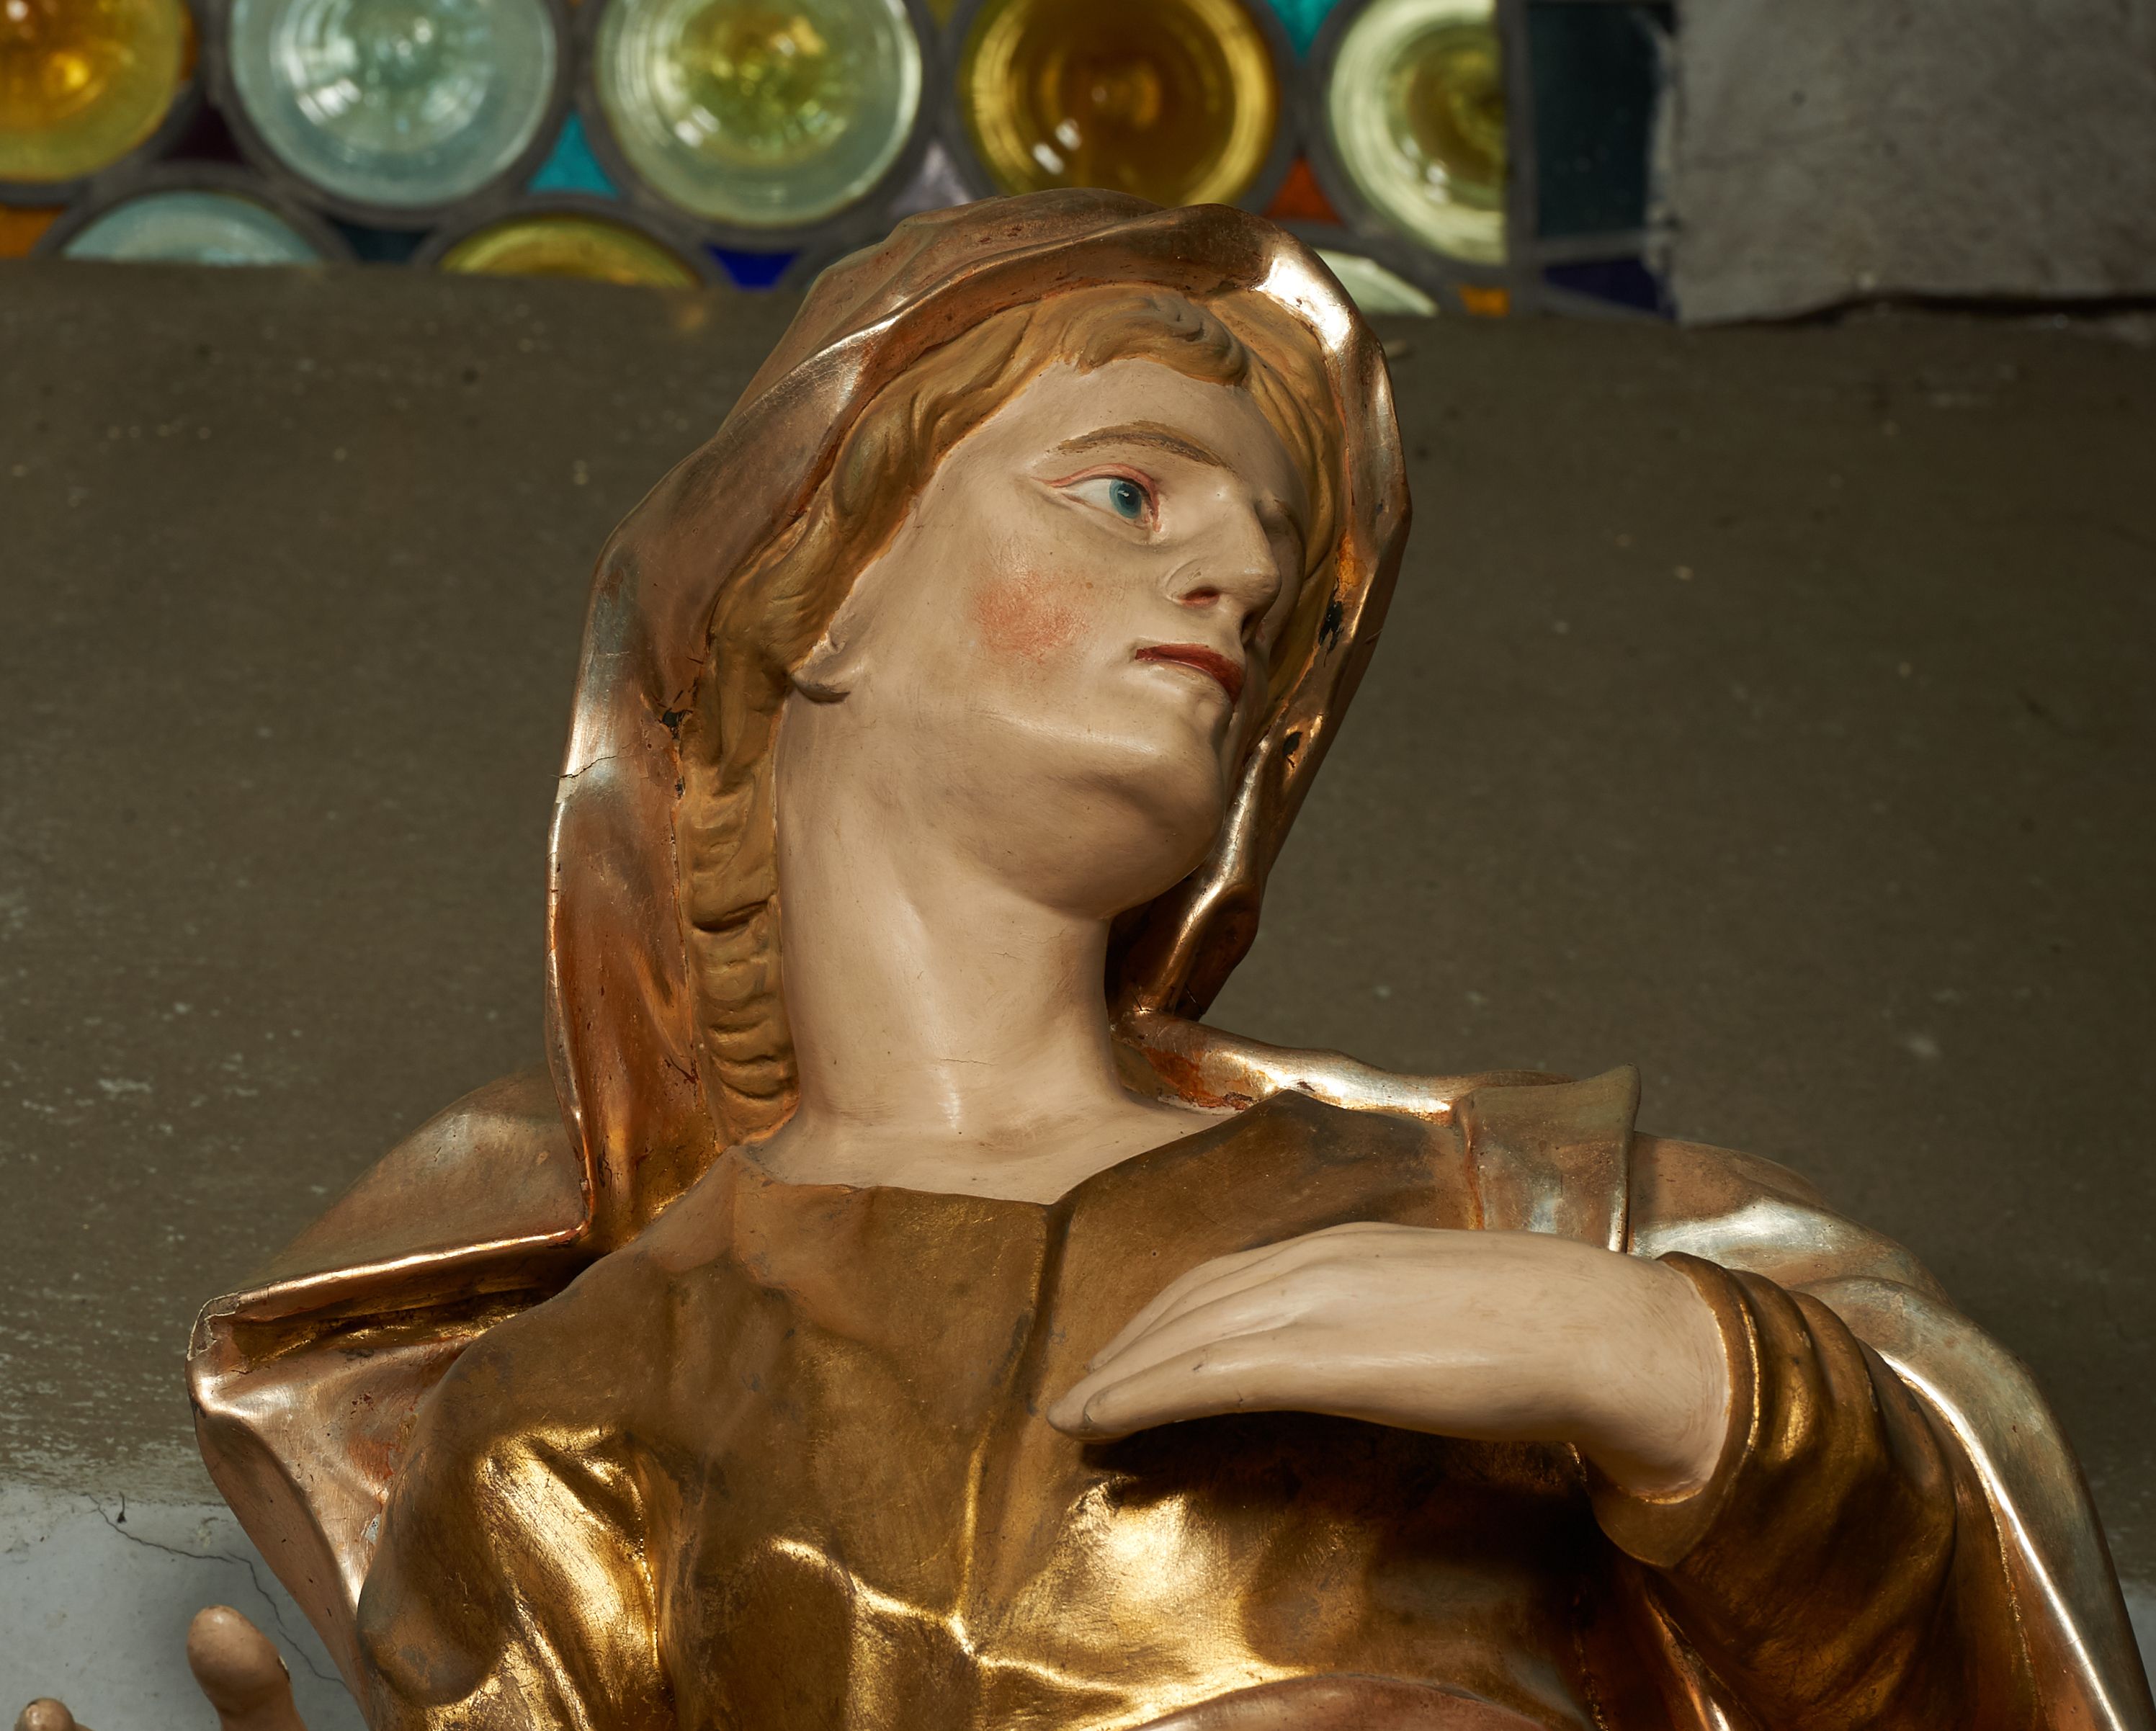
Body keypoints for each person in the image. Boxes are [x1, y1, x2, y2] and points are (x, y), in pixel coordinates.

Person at [179, 193, 2153, 1731]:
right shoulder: (579, 1402)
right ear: (815, 592)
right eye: (1125, 494)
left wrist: (1677, 1376)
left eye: (1272, 584)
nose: (1237, 576)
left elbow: (1993, 1665)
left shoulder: (1530, 1214)